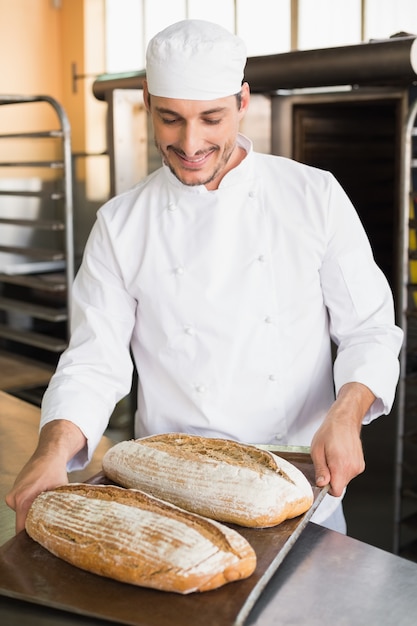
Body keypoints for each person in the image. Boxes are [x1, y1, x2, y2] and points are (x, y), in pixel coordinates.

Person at [6, 19, 403, 534]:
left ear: (242, 101)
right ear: (146, 101)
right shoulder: (121, 224)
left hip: (302, 486)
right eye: (170, 119)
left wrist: (348, 413)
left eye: (210, 118)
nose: (190, 143)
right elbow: (93, 361)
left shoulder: (313, 196)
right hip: (172, 498)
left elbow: (368, 329)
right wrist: (51, 451)